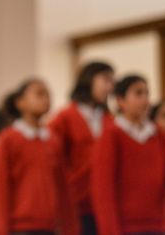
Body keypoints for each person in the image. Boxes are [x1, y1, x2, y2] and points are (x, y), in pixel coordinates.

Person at [0, 78, 78, 235]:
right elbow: (0, 189)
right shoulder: (8, 139)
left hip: (51, 226)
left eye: (48, 94)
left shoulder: (53, 140)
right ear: (20, 102)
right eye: (39, 94)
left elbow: (62, 187)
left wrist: (70, 227)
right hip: (20, 228)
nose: (45, 99)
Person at [91, 75, 165, 235]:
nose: (145, 100)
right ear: (120, 100)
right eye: (138, 93)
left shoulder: (158, 136)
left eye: (147, 94)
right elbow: (103, 188)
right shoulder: (111, 135)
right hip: (125, 227)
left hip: (157, 225)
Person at [48, 62, 115, 234]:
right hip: (75, 203)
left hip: (105, 203)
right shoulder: (64, 118)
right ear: (89, 80)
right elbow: (53, 161)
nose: (110, 87)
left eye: (112, 81)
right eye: (105, 80)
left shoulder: (110, 120)